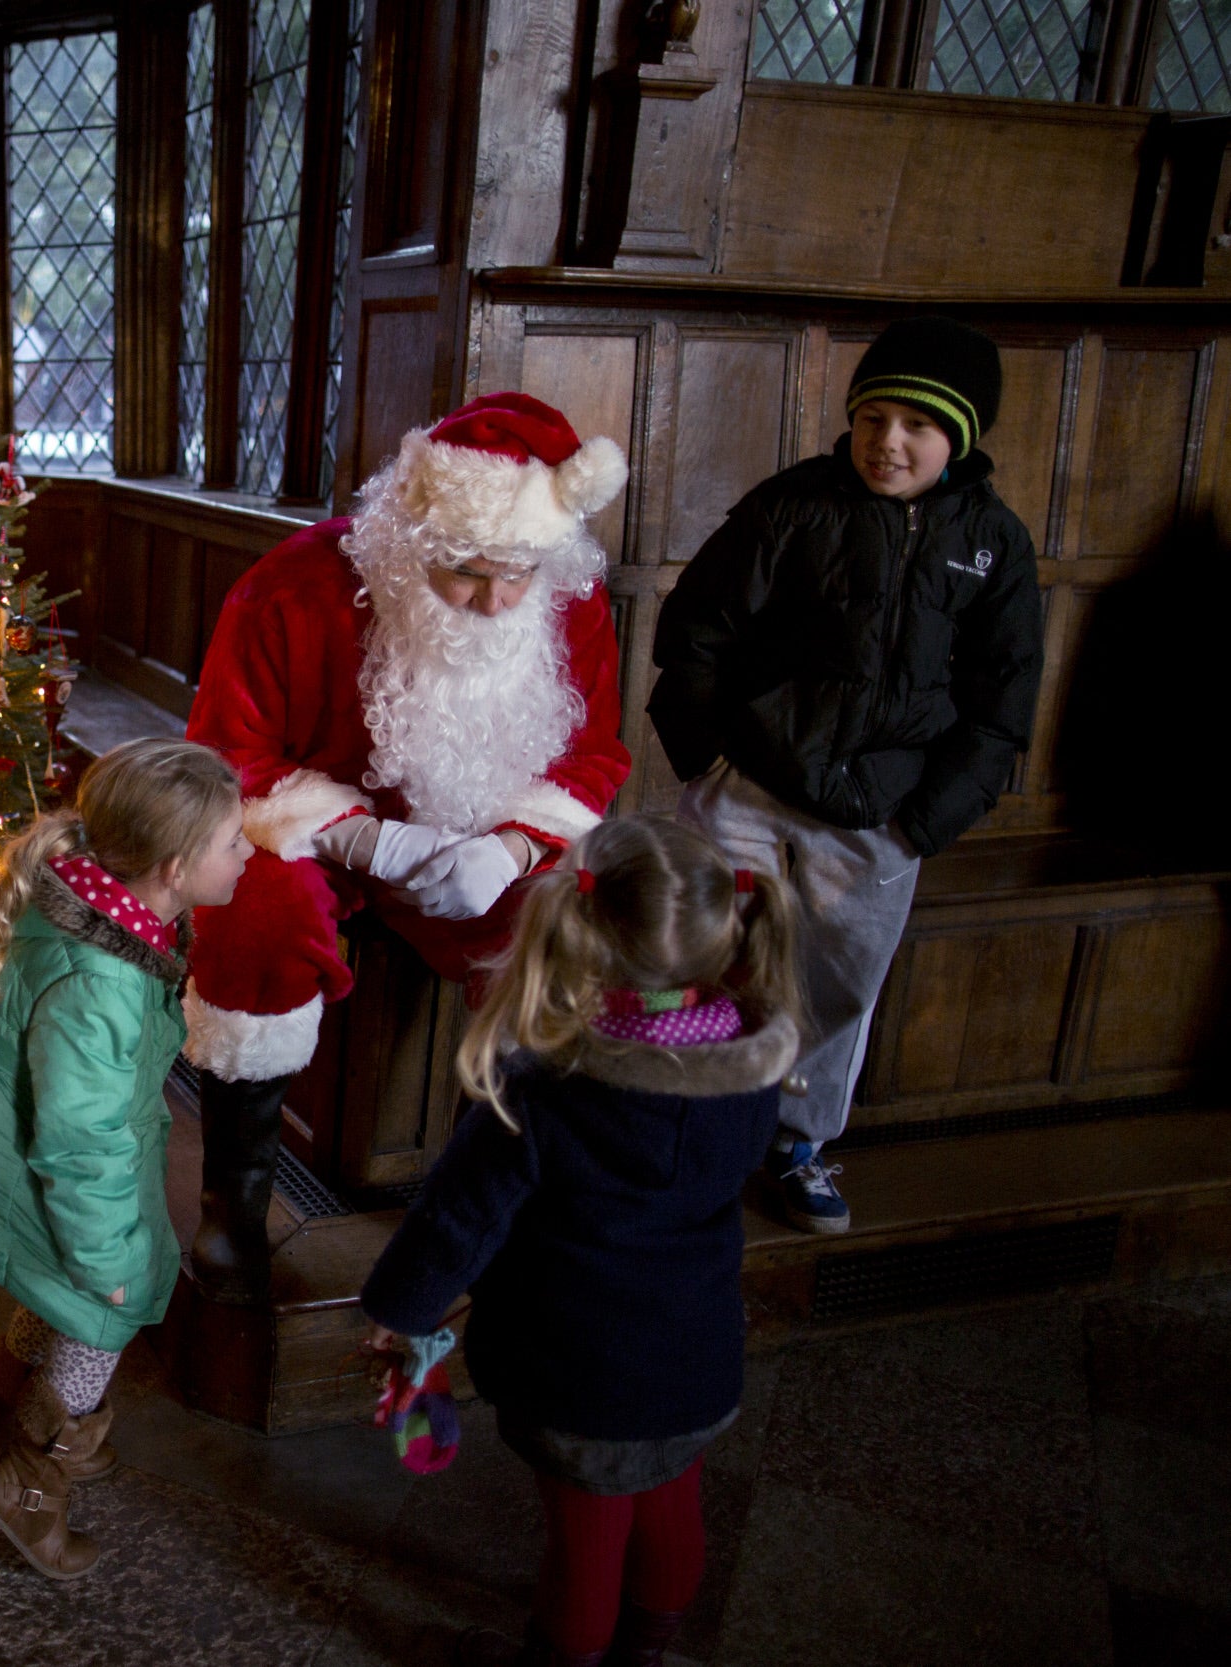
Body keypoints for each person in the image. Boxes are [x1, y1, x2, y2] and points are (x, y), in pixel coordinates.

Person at [183, 393, 633, 1302]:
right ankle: (234, 1202)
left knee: (570, 928)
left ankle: (495, 1200)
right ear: (413, 541)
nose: (495, 599)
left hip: (489, 831)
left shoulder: (563, 598)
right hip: (323, 831)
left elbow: (594, 753)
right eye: (467, 570)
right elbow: (227, 754)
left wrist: (509, 849)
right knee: (254, 909)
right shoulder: (293, 585)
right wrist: (368, 841)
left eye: (518, 574)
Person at [360, 816, 803, 1667]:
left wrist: (398, 1313)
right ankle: (645, 1654)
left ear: (581, 934)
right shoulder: (752, 1067)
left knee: (586, 1541)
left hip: (576, 1371)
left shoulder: (545, 1091)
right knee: (672, 1507)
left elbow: (458, 1220)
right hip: (699, 1358)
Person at [649, 316, 1044, 1233]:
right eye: (873, 417)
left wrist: (924, 823)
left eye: (916, 424)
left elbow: (1001, 704)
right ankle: (680, 1131)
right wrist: (708, 758)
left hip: (882, 814)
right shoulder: (793, 505)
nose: (887, 441)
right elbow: (697, 632)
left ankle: (797, 1144)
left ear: (961, 436)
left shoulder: (993, 542)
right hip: (747, 785)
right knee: (702, 959)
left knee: (836, 985)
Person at [0, 737, 251, 1579]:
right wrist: (109, 1262)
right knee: (100, 1305)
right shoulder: (97, 983)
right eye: (232, 842)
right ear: (170, 866)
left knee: (76, 1287)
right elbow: (79, 1142)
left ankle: (0, 1424)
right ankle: (26, 1489)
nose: (247, 853)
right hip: (1, 1142)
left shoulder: (104, 901)